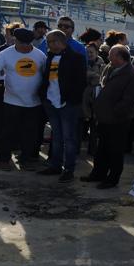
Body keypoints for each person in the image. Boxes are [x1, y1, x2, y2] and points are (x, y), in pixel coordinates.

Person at [81, 45, 134, 189]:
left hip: (117, 120)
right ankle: (98, 173)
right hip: (103, 118)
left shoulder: (132, 75)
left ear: (120, 57)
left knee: (115, 150)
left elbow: (128, 100)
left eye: (112, 55)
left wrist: (114, 112)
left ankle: (112, 179)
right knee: (101, 148)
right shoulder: (110, 68)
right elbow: (103, 84)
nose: (109, 58)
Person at [37, 30, 87, 183]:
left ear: (59, 42)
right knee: (56, 137)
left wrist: (70, 101)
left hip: (68, 105)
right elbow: (47, 79)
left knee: (69, 138)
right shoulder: (50, 57)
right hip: (51, 103)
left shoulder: (76, 58)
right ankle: (55, 165)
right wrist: (44, 97)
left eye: (50, 41)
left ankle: (69, 169)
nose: (48, 44)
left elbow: (80, 83)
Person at [0, 28, 46, 171]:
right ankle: (4, 159)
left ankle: (26, 159)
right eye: (22, 43)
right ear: (15, 40)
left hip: (34, 102)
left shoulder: (40, 56)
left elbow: (45, 76)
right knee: (8, 132)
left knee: (30, 133)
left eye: (28, 44)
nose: (25, 46)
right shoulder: (5, 54)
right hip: (11, 101)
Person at [82, 42, 106, 155]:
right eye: (87, 52)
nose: (89, 54)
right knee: (79, 126)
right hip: (82, 98)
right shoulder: (81, 63)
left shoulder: (103, 65)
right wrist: (93, 76)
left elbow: (100, 81)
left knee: (94, 128)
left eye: (91, 52)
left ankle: (92, 150)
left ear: (97, 52)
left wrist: (90, 76)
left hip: (96, 98)